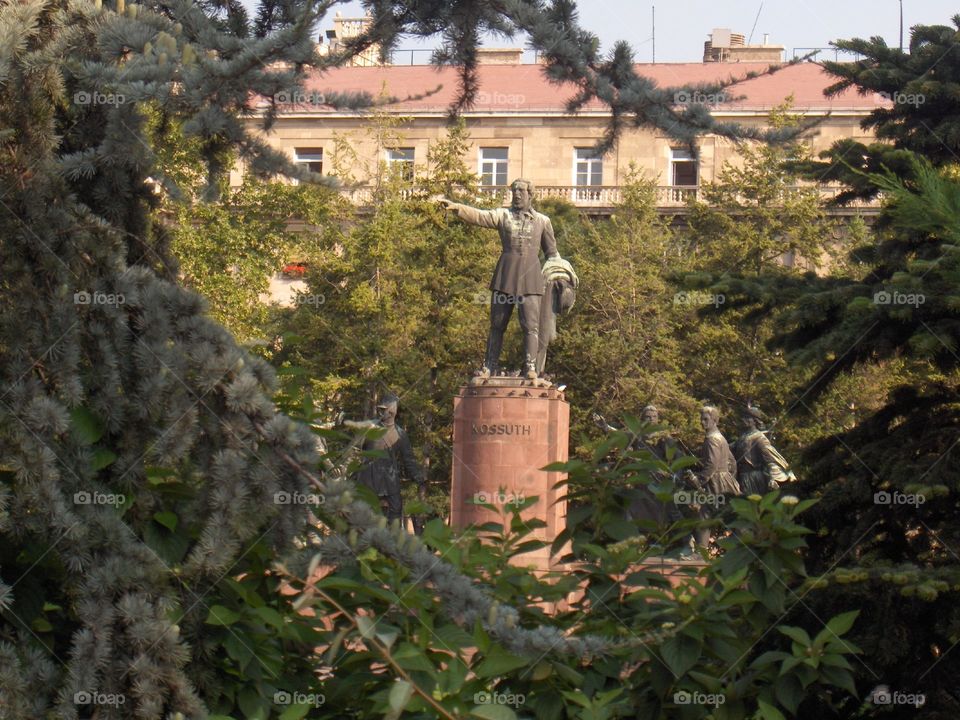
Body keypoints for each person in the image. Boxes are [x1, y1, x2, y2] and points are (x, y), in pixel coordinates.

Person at [440, 179, 565, 380]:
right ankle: (489, 366)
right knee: (497, 324)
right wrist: (458, 208)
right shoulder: (503, 216)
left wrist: (561, 273)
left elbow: (552, 253)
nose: (516, 194)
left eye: (521, 191)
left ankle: (531, 367)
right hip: (505, 275)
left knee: (530, 326)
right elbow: (480, 216)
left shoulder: (543, 221)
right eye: (514, 190)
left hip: (531, 279)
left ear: (530, 194)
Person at [344, 393, 427, 529]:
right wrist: (344, 470)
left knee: (395, 512)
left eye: (383, 409)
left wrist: (418, 476)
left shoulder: (401, 434)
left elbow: (409, 460)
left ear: (392, 411)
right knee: (366, 514)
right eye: (380, 409)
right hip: (368, 477)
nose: (380, 412)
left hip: (390, 478)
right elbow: (353, 450)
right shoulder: (369, 428)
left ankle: (391, 543)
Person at [690, 405, 739, 548]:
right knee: (731, 515)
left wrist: (698, 480)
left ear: (715, 420)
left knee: (704, 514)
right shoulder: (721, 438)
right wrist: (731, 478)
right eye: (701, 419)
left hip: (716, 482)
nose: (702, 422)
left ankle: (701, 552)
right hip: (725, 480)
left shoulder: (712, 439)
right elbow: (733, 462)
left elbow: (711, 465)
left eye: (706, 419)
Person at [734, 403, 796, 496]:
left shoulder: (759, 438)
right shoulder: (742, 437)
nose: (743, 420)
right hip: (742, 476)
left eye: (747, 417)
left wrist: (772, 478)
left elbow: (770, 459)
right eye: (743, 417)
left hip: (753, 478)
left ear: (755, 421)